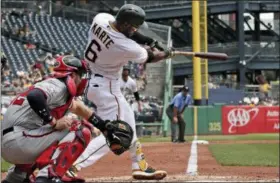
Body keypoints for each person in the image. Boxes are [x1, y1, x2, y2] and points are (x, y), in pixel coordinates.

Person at [68, 4, 175, 181]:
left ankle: (140, 165)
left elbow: (130, 34)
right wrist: (166, 54)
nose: (135, 30)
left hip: (90, 80)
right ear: (126, 24)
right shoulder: (125, 46)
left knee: (129, 125)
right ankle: (73, 164)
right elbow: (149, 57)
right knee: (115, 133)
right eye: (133, 26)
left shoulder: (100, 19)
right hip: (107, 87)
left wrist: (149, 40)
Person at [1, 55, 134, 183]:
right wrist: (54, 123)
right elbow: (35, 96)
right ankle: (47, 177)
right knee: (79, 129)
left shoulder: (53, 86)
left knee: (49, 136)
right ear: (73, 75)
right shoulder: (58, 85)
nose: (83, 79)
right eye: (81, 75)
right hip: (19, 140)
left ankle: (16, 178)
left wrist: (103, 127)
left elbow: (79, 108)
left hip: (13, 142)